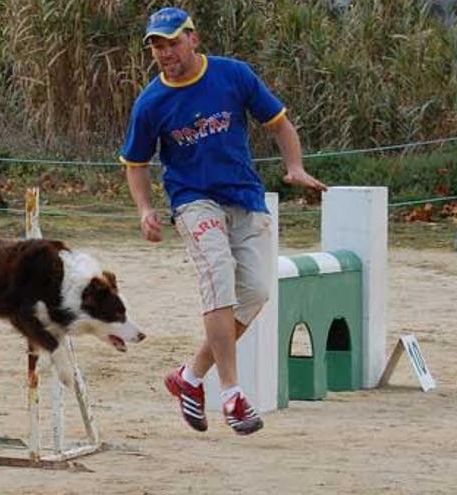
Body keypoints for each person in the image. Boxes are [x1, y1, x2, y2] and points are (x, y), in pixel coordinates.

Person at [119, 7, 327, 435]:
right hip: (194, 201)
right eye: (157, 46)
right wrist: (144, 209)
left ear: (193, 39)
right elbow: (135, 163)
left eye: (173, 42)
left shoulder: (234, 75)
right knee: (218, 274)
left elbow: (280, 125)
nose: (165, 53)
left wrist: (295, 167)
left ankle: (190, 377)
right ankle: (231, 393)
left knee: (255, 291)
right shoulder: (151, 103)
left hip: (244, 197)